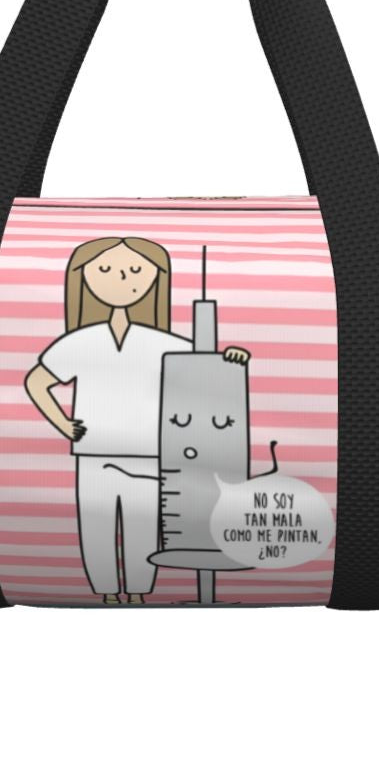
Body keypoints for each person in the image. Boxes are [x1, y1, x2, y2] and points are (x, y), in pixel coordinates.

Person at [25, 237, 248, 604]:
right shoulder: (80, 341)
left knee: (144, 528)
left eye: (134, 271)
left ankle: (139, 593)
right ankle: (107, 593)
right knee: (96, 528)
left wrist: (233, 358)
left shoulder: (161, 341)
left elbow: (205, 365)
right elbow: (37, 382)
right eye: (104, 270)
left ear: (155, 280)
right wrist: (63, 425)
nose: (121, 278)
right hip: (93, 452)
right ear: (83, 277)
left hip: (150, 454)